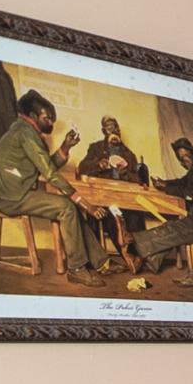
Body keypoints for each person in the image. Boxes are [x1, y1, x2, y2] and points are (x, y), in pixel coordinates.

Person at [0, 90, 106, 287]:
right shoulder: (26, 133)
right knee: (67, 207)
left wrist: (65, 148)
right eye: (47, 118)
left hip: (15, 191)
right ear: (32, 116)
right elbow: (49, 173)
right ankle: (76, 269)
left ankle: (100, 262)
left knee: (70, 208)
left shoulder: (23, 130)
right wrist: (83, 202)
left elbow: (45, 167)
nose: (51, 123)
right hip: (10, 198)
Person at [132, 138, 193, 288]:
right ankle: (151, 260)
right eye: (182, 159)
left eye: (187, 157)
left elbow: (190, 194)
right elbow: (181, 182)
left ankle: (135, 244)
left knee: (171, 230)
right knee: (170, 227)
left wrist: (165, 187)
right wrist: (164, 182)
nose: (185, 161)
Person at [76, 115, 150, 272]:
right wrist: (99, 164)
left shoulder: (129, 154)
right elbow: (82, 168)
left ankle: (139, 256)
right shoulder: (96, 148)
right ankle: (122, 257)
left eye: (116, 127)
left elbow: (138, 180)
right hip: (104, 197)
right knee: (109, 215)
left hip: (124, 197)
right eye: (110, 127)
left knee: (136, 215)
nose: (114, 130)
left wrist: (125, 174)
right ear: (104, 131)